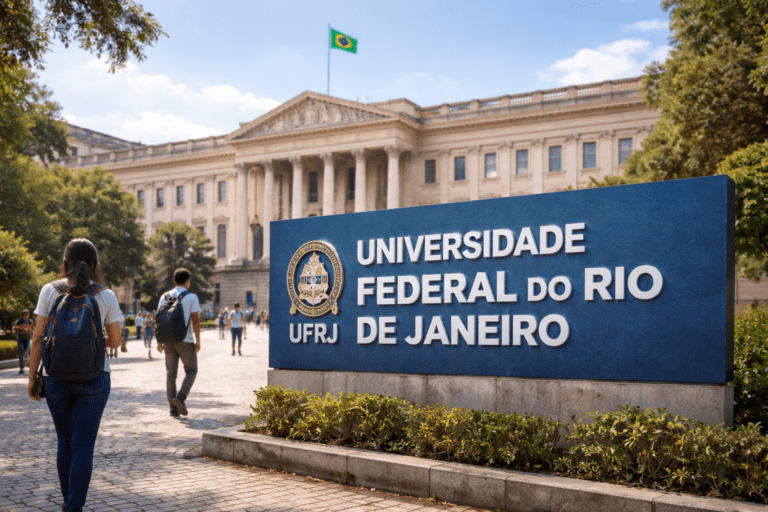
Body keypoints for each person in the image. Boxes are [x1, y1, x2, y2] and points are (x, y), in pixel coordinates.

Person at [27, 238, 122, 512]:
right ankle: (74, 508)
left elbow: (37, 339)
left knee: (64, 442)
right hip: (95, 378)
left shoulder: (50, 290)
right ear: (95, 264)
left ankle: (68, 503)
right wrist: (89, 342)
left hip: (56, 377)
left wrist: (33, 378)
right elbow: (115, 341)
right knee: (83, 447)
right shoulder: (105, 294)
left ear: (65, 262)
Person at [156, 268, 201, 417]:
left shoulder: (164, 296)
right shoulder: (192, 297)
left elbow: (159, 319)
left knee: (170, 375)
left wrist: (159, 340)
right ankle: (180, 398)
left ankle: (172, 409)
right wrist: (198, 340)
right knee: (192, 370)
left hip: (167, 340)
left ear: (174, 280)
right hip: (185, 340)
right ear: (188, 281)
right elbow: (195, 320)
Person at [13, 309, 34, 374]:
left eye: (27, 314)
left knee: (29, 350)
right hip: (20, 339)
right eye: (25, 314)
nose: (26, 315)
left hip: (28, 339)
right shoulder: (19, 321)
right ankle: (21, 369)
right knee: (21, 353)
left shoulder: (30, 321)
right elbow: (14, 328)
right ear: (23, 315)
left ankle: (32, 368)